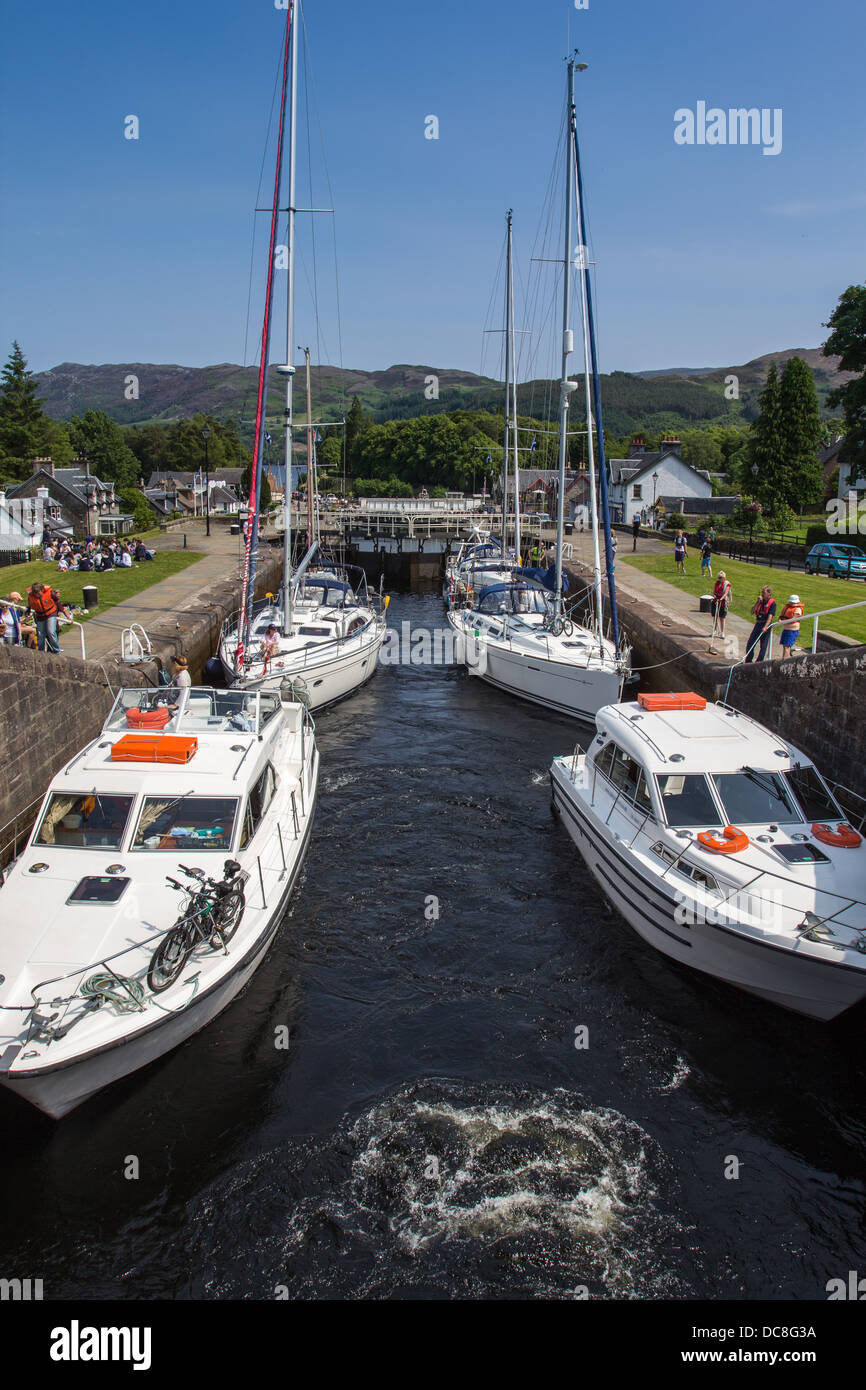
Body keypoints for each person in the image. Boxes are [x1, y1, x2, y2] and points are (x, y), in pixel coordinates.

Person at [27, 581, 67, 653]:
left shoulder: (50, 593)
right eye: (35, 593)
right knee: (40, 635)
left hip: (51, 614)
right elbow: (29, 606)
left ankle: (56, 650)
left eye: (38, 593)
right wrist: (28, 612)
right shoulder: (31, 597)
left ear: (42, 590)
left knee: (51, 632)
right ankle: (41, 652)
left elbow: (58, 603)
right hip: (40, 616)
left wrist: (67, 615)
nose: (37, 595)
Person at [745, 586, 776, 662]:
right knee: (750, 643)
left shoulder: (772, 604)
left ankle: (759, 662)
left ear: (769, 594)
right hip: (758, 624)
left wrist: (765, 627)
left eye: (763, 592)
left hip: (765, 625)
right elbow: (752, 612)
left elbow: (770, 617)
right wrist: (758, 602)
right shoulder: (760, 602)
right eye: (761, 592)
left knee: (763, 646)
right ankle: (748, 661)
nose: (762, 594)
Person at [779, 593, 804, 659]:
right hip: (786, 629)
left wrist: (782, 622)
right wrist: (780, 619)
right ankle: (784, 660)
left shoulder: (798, 609)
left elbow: (794, 619)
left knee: (787, 646)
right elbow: (782, 616)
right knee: (784, 646)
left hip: (792, 630)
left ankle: (784, 661)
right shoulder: (787, 607)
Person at [711, 571, 732, 640]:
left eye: (721, 578)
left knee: (722, 618)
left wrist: (721, 598)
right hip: (715, 601)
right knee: (715, 617)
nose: (720, 579)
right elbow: (714, 592)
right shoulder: (716, 583)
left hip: (723, 602)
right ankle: (714, 631)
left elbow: (726, 593)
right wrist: (714, 596)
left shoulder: (727, 584)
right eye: (719, 578)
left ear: (724, 578)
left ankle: (722, 632)